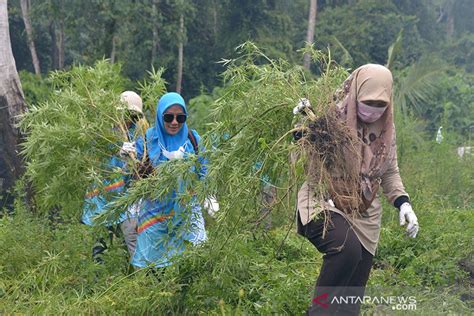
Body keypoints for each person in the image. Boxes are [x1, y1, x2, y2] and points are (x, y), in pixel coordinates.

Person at [295, 64, 419, 315]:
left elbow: (389, 172)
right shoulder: (329, 118)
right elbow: (303, 159)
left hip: (364, 213)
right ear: (354, 95)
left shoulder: (387, 130)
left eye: (380, 106)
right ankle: (317, 312)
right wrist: (301, 126)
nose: (372, 113)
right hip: (323, 200)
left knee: (351, 298)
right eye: (366, 104)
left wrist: (403, 203)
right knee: (345, 249)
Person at [128, 92, 215, 269]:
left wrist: (209, 195)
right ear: (160, 116)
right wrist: (127, 159)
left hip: (187, 213)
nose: (174, 122)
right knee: (153, 267)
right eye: (169, 116)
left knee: (194, 261)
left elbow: (205, 169)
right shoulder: (147, 140)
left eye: (180, 117)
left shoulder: (193, 140)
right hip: (155, 214)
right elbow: (134, 174)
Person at [82, 91, 146, 262]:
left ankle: (137, 284)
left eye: (132, 115)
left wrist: (135, 159)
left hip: (125, 202)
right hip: (101, 200)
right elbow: (95, 165)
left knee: (131, 246)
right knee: (99, 249)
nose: (127, 119)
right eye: (125, 114)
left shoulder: (137, 135)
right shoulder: (102, 133)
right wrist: (117, 154)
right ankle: (97, 284)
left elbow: (141, 168)